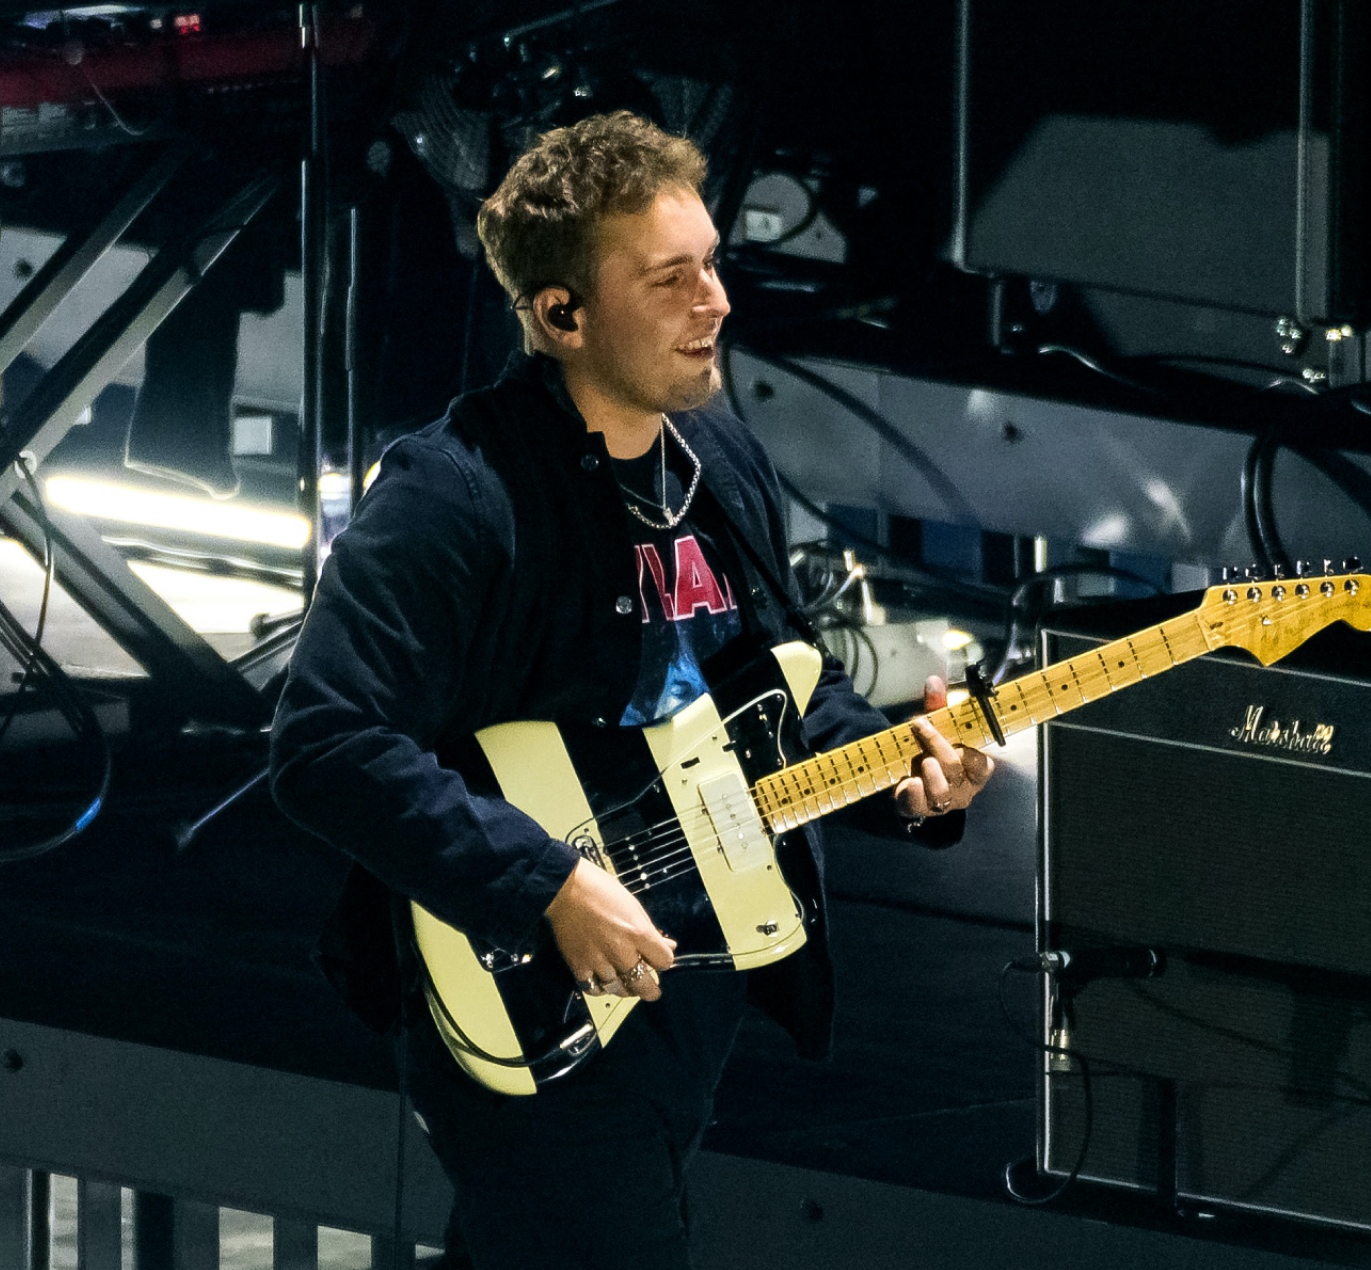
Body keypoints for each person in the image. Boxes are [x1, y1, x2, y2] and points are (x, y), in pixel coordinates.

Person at [269, 110, 993, 1269]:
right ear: (560, 315)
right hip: (531, 976)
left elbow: (780, 695)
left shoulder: (720, 460)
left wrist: (906, 780)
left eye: (712, 264)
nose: (714, 302)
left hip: (690, 976)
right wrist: (544, 880)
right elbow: (322, 741)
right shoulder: (451, 492)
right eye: (670, 279)